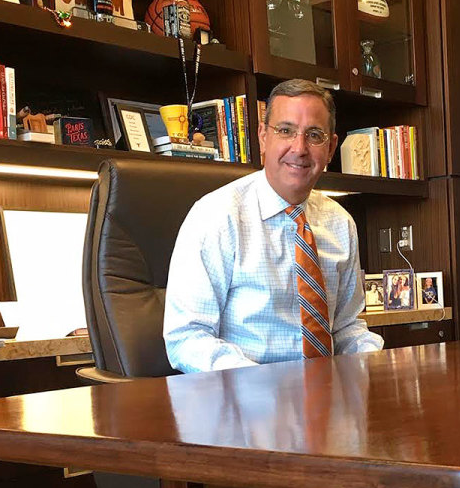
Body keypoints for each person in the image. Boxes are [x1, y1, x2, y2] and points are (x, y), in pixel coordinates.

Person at [164, 79, 383, 372]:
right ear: (263, 136)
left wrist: (379, 364)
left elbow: (345, 328)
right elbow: (186, 339)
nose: (299, 148)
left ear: (331, 148)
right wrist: (266, 385)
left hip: (328, 403)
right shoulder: (217, 216)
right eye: (285, 131)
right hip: (245, 406)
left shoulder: (340, 223)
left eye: (314, 135)